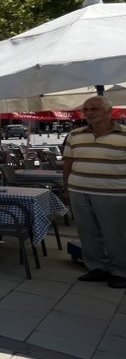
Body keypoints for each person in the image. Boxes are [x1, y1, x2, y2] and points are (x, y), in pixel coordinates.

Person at [62, 96, 126, 288]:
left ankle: (120, 271)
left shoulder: (124, 135)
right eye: (86, 109)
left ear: (109, 112)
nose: (89, 113)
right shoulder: (75, 135)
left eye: (94, 109)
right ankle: (97, 267)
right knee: (87, 233)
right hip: (79, 191)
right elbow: (68, 164)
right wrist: (67, 188)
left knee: (116, 234)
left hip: (114, 193)